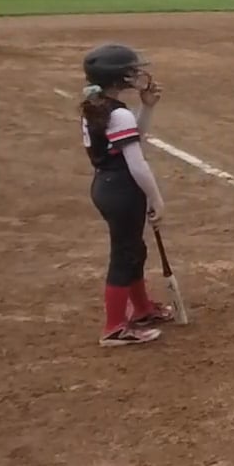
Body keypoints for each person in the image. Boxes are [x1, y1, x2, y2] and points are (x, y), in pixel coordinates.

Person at [79, 44, 173, 347]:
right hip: (122, 188)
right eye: (130, 70)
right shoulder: (117, 113)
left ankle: (142, 309)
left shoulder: (98, 105)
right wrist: (156, 199)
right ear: (117, 76)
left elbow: (132, 138)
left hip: (108, 186)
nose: (136, 73)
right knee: (124, 255)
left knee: (133, 250)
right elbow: (136, 162)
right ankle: (114, 327)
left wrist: (147, 107)